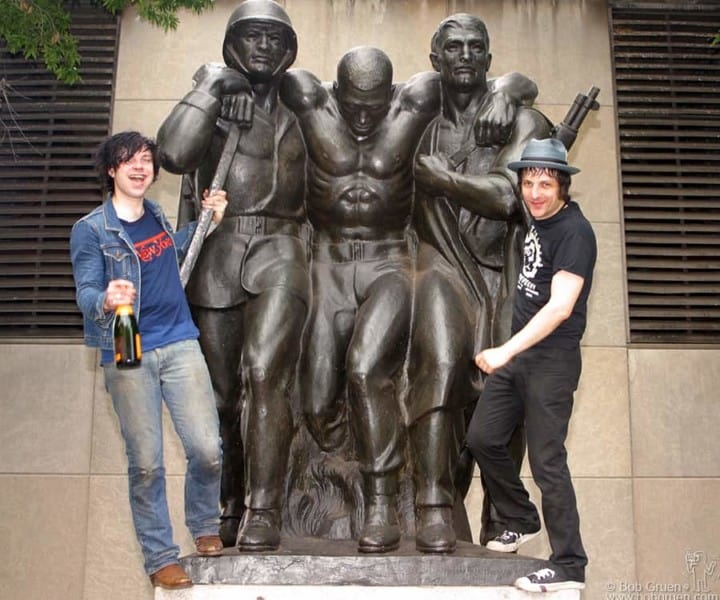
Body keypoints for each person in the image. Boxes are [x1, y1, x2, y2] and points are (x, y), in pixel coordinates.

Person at [280, 45, 533, 553]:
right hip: (327, 264)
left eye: (376, 105)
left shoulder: (417, 99)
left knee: (368, 368)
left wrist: (508, 90)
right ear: (336, 91)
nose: (365, 116)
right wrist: (211, 79)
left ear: (390, 94)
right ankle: (337, 486)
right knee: (316, 400)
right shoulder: (308, 98)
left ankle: (386, 498)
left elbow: (491, 78)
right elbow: (245, 74)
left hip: (389, 262)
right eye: (355, 104)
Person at [157, 0, 309, 551]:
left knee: (266, 372)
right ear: (231, 47)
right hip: (220, 253)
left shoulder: (303, 108)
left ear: (289, 51)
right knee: (222, 397)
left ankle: (265, 510)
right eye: (251, 37)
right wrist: (213, 83)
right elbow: (172, 153)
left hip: (282, 249)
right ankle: (230, 502)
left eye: (274, 37)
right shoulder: (217, 101)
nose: (263, 46)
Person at [408, 12, 551, 552]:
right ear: (435, 60)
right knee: (440, 373)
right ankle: (434, 506)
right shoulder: (418, 114)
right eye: (454, 47)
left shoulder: (523, 120)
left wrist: (445, 178)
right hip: (440, 262)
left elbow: (510, 196)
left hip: (505, 275)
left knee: (505, 397)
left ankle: (501, 518)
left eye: (476, 48)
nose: (465, 55)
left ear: (489, 61)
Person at [70, 131, 227, 590]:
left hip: (180, 339)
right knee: (146, 462)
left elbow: (172, 253)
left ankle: (204, 526)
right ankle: (161, 557)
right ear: (111, 170)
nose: (139, 167)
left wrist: (207, 221)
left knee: (206, 448)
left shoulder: (155, 215)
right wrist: (107, 297)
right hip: (127, 343)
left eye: (146, 160)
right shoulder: (91, 230)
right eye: (128, 160)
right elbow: (84, 292)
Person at [465, 137, 596, 592]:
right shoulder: (537, 215)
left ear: (562, 185)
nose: (535, 193)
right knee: (483, 438)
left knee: (547, 462)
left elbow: (560, 307)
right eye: (528, 182)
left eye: (544, 183)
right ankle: (521, 517)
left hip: (551, 362)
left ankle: (569, 565)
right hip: (521, 356)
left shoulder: (575, 233)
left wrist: (504, 350)